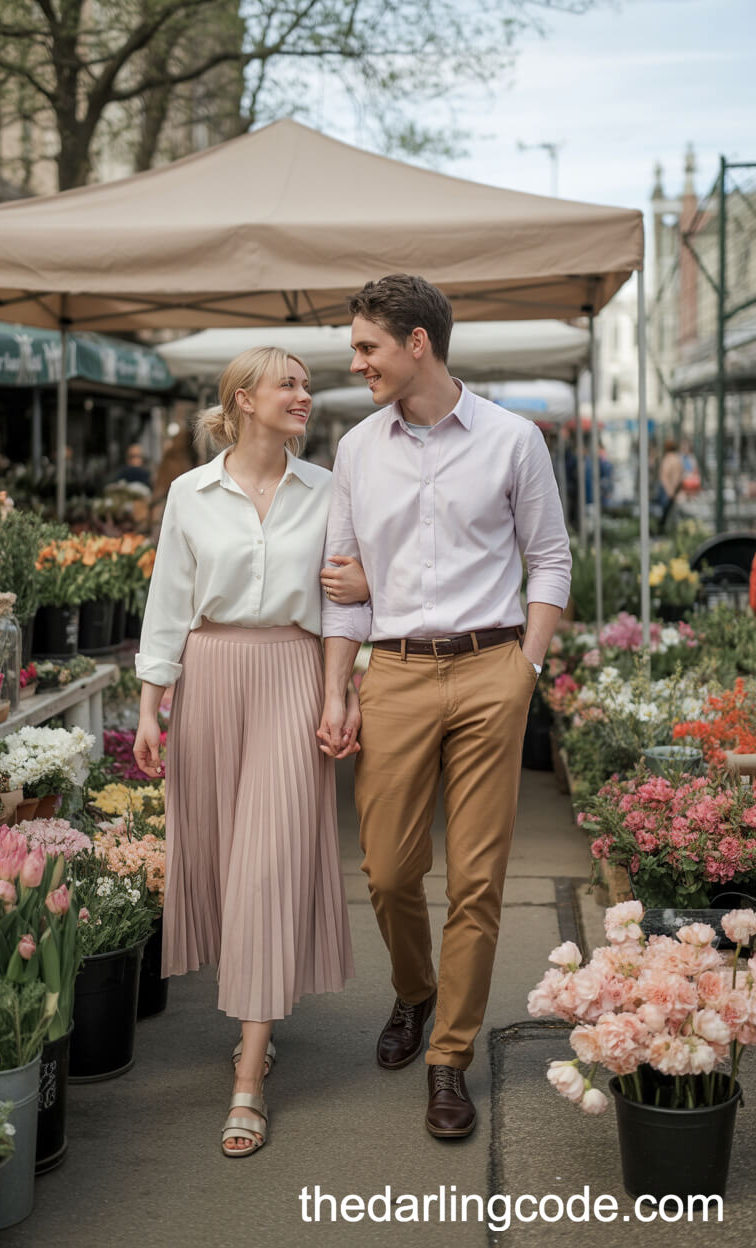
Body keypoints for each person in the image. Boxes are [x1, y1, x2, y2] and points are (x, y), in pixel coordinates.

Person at [318, 275, 571, 1140]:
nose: (355, 364)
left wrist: (524, 671)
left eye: (367, 348)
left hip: (490, 669)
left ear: (417, 342)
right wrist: (336, 686)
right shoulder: (356, 449)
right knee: (387, 870)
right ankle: (415, 990)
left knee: (477, 877)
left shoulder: (512, 440)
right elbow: (344, 586)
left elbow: (551, 560)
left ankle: (449, 1057)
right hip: (392, 673)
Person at [132, 347, 365, 1157]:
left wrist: (346, 683)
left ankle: (250, 1075)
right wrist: (149, 707)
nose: (305, 394)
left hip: (292, 675)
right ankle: (255, 1020)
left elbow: (347, 599)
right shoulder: (189, 495)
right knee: (229, 865)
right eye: (289, 384)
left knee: (268, 863)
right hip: (210, 675)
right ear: (242, 400)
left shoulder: (331, 490)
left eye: (306, 384)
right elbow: (167, 604)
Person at [658, 437, 684, 531]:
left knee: (665, 514)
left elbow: (664, 476)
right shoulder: (677, 459)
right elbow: (679, 476)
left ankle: (663, 531)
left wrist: (669, 490)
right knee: (670, 513)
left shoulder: (667, 459)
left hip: (667, 490)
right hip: (674, 489)